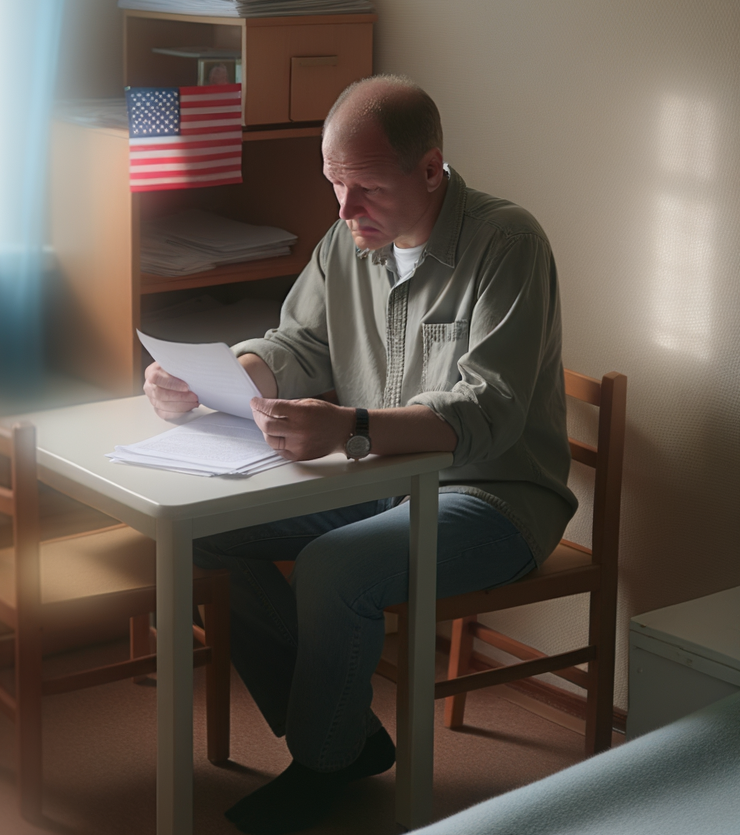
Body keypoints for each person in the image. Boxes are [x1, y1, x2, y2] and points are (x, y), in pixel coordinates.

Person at [143, 75, 575, 835]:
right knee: (199, 537)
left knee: (335, 566)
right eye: (334, 185)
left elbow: (490, 411)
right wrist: (215, 380)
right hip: (380, 478)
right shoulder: (347, 242)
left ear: (432, 169)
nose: (345, 212)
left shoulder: (508, 244)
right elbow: (297, 343)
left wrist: (351, 428)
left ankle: (322, 761)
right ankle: (347, 739)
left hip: (493, 495)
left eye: (366, 188)